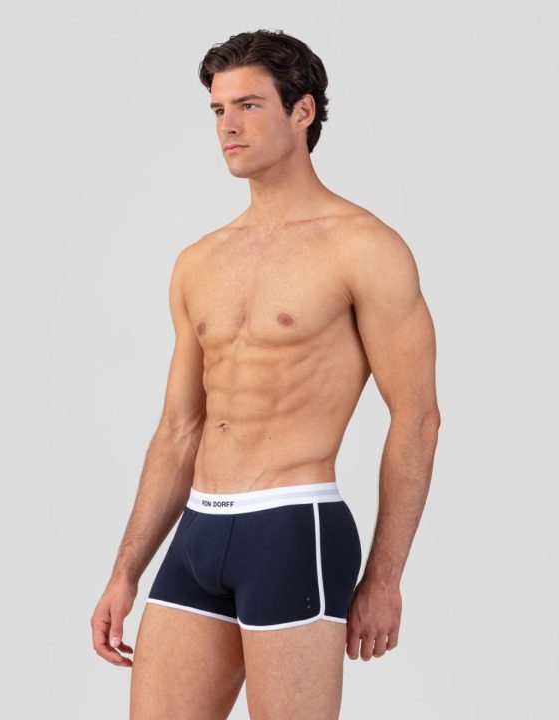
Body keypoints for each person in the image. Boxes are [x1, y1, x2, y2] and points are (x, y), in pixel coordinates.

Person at [91, 28, 440, 720]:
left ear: (302, 111)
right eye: (219, 110)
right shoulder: (200, 260)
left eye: (248, 105)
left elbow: (418, 416)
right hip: (197, 534)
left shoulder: (363, 247)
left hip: (293, 530)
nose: (228, 126)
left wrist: (385, 576)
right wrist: (125, 570)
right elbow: (178, 427)